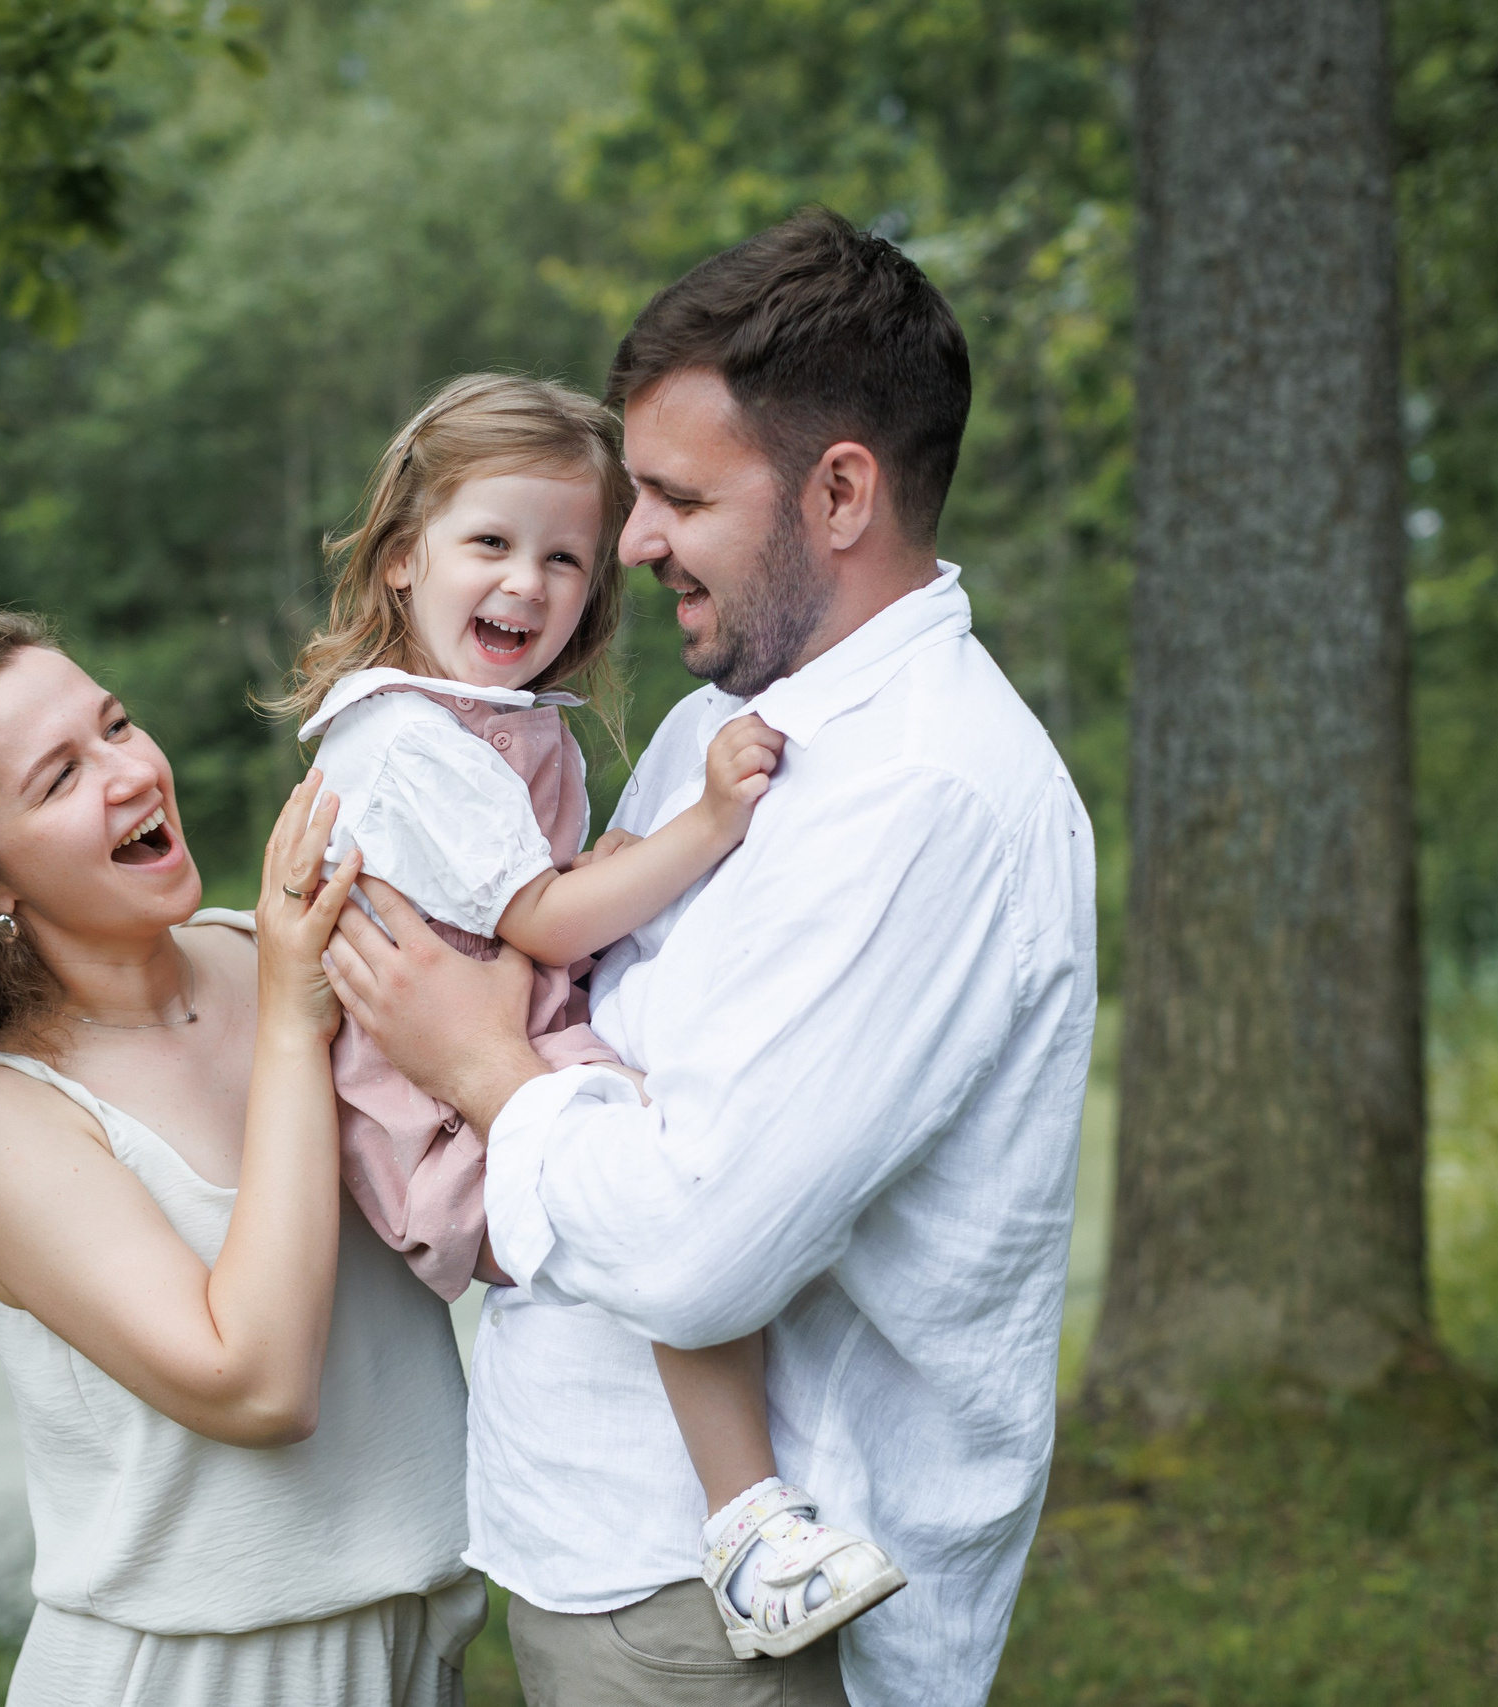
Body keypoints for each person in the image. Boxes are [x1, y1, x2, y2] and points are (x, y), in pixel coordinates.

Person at [322, 209, 1099, 1706]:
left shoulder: (928, 794)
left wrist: (479, 1064)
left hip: (739, 1622)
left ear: (842, 491)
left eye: (676, 494)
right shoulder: (718, 724)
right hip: (597, 1543)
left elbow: (695, 1251)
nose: (628, 542)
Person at [271, 372, 906, 1660]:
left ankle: (741, 1504)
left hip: (481, 1059)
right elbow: (550, 922)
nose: (527, 583)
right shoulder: (404, 742)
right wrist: (707, 825)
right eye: (489, 544)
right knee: (654, 1185)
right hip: (436, 1126)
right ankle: (745, 1524)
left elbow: (544, 901)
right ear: (402, 558)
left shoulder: (494, 722)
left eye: (564, 557)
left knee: (658, 1183)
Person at [0, 612, 486, 1707]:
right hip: (199, 1670)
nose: (132, 771)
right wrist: (292, 1022)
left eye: (118, 724)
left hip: (419, 1634)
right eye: (58, 778)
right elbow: (256, 1384)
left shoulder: (272, 953)